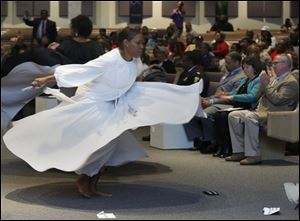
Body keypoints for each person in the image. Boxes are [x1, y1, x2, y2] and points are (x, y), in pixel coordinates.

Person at [3, 27, 200, 198]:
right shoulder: (109, 59)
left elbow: (131, 82)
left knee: (109, 148)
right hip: (94, 105)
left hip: (112, 106)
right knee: (99, 145)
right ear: (125, 43)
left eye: (142, 43)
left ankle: (91, 183)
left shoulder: (135, 62)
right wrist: (45, 79)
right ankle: (84, 179)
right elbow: (81, 70)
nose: (142, 46)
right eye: (138, 43)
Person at [226, 54, 299, 165]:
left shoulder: (291, 82)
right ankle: (239, 151)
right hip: (262, 111)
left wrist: (266, 84)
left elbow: (277, 100)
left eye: (275, 63)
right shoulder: (274, 78)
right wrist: (262, 83)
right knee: (234, 115)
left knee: (250, 117)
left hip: (278, 115)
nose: (272, 66)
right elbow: (258, 95)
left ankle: (254, 154)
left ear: (285, 64)